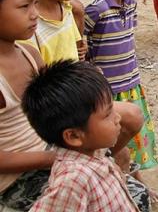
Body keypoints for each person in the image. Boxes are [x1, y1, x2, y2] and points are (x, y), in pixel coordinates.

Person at [0, 0, 149, 211]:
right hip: (14, 180)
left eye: (35, 3)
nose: (35, 14)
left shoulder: (29, 54)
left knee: (127, 191)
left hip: (50, 150)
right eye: (24, 6)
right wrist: (54, 157)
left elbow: (55, 104)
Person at [85, 0, 158, 201]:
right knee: (114, 140)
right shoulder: (95, 10)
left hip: (132, 83)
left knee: (133, 137)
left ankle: (135, 180)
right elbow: (83, 43)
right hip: (108, 88)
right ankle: (125, 184)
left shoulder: (130, 4)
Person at [23, 60, 141, 212]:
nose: (118, 118)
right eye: (107, 114)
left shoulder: (94, 151)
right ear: (73, 136)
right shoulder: (74, 180)